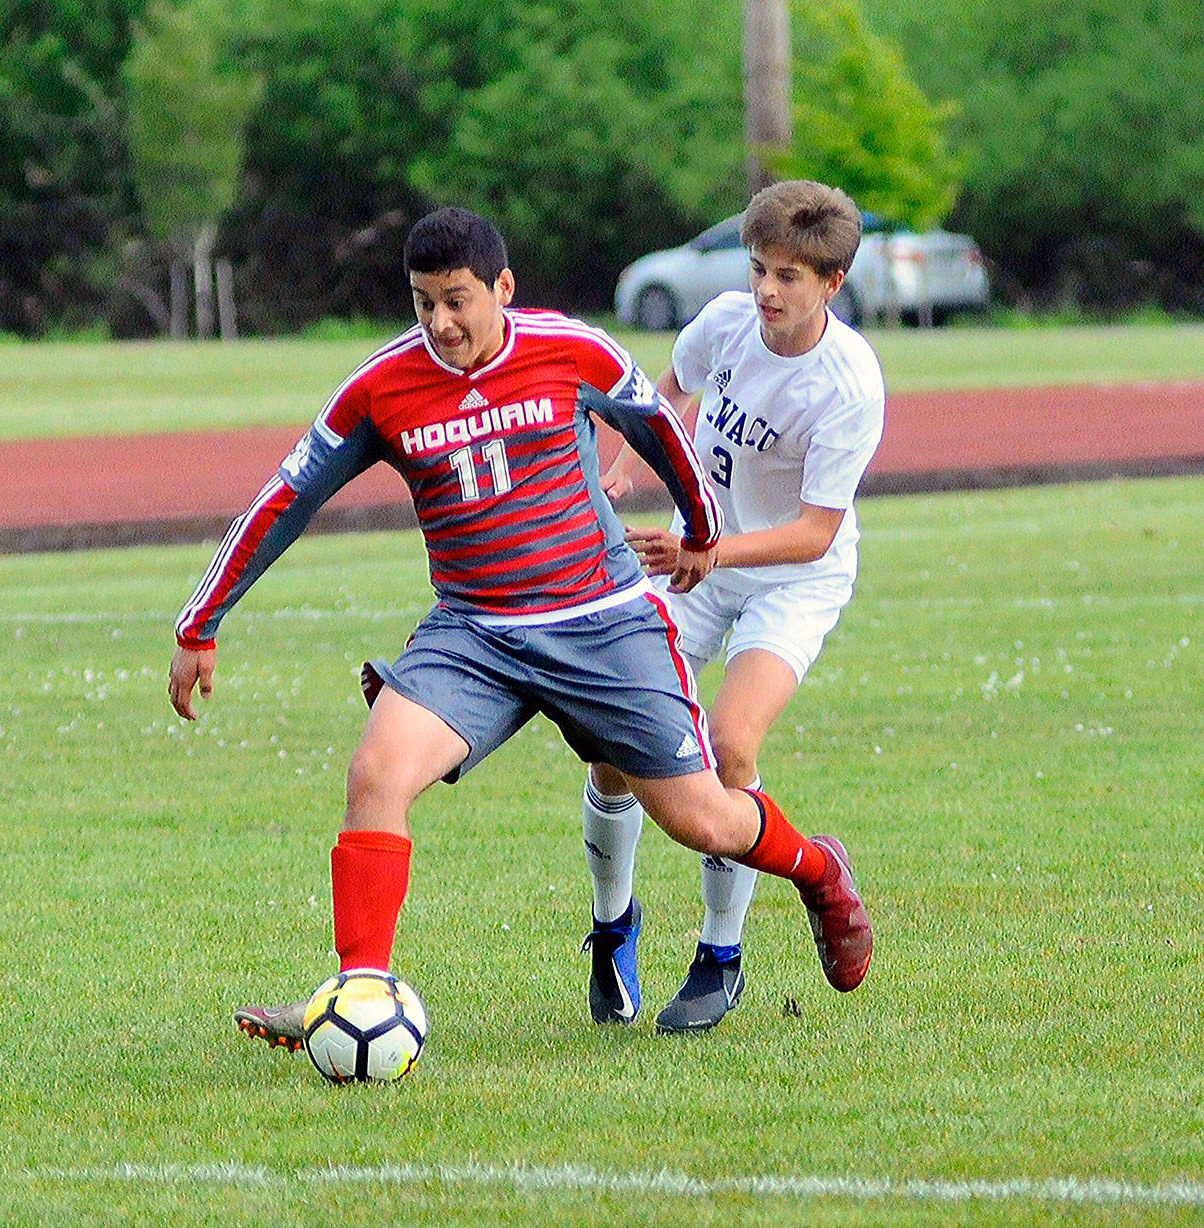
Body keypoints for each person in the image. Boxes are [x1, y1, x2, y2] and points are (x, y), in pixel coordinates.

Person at [166, 205, 872, 1053]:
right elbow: (287, 496)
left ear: (503, 287)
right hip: (475, 634)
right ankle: (358, 993)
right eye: (423, 302)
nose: (439, 322)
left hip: (602, 622)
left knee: (706, 820)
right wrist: (201, 620)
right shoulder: (381, 386)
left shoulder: (573, 351)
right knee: (377, 772)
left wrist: (700, 534)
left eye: (457, 300)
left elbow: (660, 429)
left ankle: (816, 869)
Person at [580, 179, 884, 1033]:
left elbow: (816, 533)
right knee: (612, 745)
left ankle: (721, 957)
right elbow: (665, 391)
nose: (766, 292)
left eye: (789, 275)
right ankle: (612, 928)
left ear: (832, 283)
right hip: (695, 563)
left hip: (788, 580)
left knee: (728, 746)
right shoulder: (723, 322)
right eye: (759, 268)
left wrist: (705, 548)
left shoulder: (848, 384)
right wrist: (627, 464)